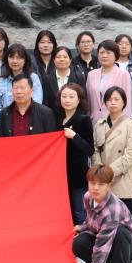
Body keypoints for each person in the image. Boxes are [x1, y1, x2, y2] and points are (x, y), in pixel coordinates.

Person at [72, 164, 132, 263]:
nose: (95, 188)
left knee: (119, 232)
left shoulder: (112, 209)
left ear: (109, 185)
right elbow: (92, 220)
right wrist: (82, 227)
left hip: (127, 244)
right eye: (92, 183)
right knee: (79, 242)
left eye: (101, 184)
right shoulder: (88, 197)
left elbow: (102, 246)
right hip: (104, 237)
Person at [92, 86, 132, 218]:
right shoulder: (99, 125)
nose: (112, 102)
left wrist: (110, 172)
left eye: (116, 99)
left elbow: (131, 154)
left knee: (123, 220)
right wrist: (101, 172)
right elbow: (95, 150)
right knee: (105, 220)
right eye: (109, 100)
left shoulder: (131, 125)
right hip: (104, 180)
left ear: (124, 102)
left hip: (122, 178)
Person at [59, 83, 94, 224]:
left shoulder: (84, 120)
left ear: (79, 100)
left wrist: (74, 136)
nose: (67, 100)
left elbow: (89, 149)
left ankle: (84, 238)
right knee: (64, 212)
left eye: (71, 97)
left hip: (78, 175)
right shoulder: (56, 119)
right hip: (60, 175)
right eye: (64, 96)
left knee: (80, 213)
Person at [0, 43, 44, 123]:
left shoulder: (33, 78)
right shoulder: (3, 80)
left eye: (19, 58)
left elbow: (37, 103)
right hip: (6, 124)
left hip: (28, 122)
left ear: (25, 60)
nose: (15, 61)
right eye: (11, 57)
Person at [86, 40, 132, 122]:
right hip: (94, 121)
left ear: (116, 56)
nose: (104, 55)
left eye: (108, 53)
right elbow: (89, 100)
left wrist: (126, 122)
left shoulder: (123, 74)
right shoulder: (91, 75)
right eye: (101, 53)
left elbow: (127, 102)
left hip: (116, 121)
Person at [45, 45, 85, 116]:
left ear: (70, 60)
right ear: (54, 60)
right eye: (58, 57)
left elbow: (83, 100)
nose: (62, 59)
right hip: (53, 118)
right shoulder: (47, 79)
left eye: (65, 57)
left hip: (74, 117)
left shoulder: (78, 77)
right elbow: (46, 102)